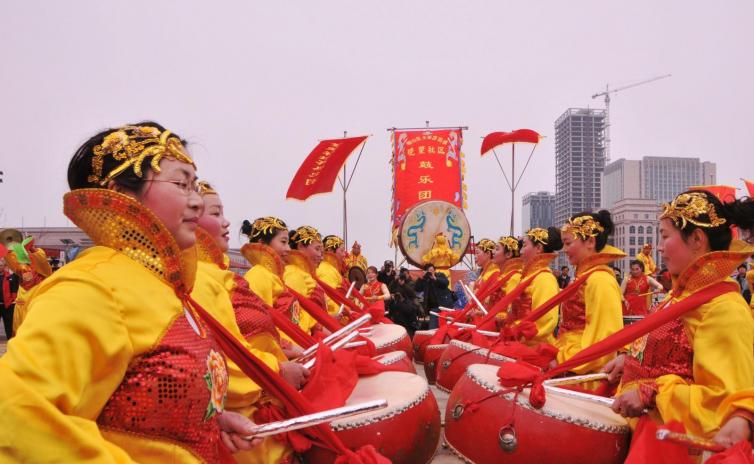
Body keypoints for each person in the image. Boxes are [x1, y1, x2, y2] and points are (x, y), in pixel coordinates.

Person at [0, 123, 258, 462]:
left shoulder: (166, 288)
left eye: (195, 186)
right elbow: (15, 415)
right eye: (181, 184)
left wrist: (207, 421)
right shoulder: (92, 287)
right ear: (121, 192)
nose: (196, 202)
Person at [604, 191, 754, 442]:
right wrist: (630, 360)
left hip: (672, 448)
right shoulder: (679, 297)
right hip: (640, 434)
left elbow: (722, 405)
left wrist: (652, 393)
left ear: (696, 239)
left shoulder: (723, 308)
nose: (659, 247)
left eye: (664, 236)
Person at [194, 181, 307, 463]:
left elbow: (258, 330)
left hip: (262, 390)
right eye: (216, 213)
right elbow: (218, 356)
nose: (226, 221)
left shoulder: (217, 275)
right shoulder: (204, 278)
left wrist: (286, 349)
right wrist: (277, 371)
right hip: (245, 413)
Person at [552, 210, 625, 376]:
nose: (564, 249)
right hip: (568, 362)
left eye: (568, 243)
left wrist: (560, 359)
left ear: (590, 242)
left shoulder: (600, 280)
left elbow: (603, 346)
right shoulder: (585, 278)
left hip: (583, 375)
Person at [508, 227, 564, 345]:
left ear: (538, 248)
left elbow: (545, 322)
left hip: (534, 346)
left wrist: (517, 333)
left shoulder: (544, 278)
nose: (521, 251)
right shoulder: (528, 277)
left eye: (524, 246)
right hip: (518, 341)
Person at [283, 226, 327, 336]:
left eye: (321, 252)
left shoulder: (304, 274)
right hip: (306, 340)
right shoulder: (293, 273)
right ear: (301, 246)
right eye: (317, 249)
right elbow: (294, 319)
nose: (320, 257)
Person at [317, 234, 348, 316]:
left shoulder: (330, 268)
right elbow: (328, 298)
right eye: (342, 251)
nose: (344, 254)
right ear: (330, 250)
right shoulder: (326, 269)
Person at [415, 263, 453, 329]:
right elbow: (417, 288)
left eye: (432, 270)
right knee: (433, 327)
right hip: (433, 307)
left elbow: (446, 283)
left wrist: (435, 278)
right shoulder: (425, 280)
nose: (431, 272)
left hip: (444, 305)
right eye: (429, 271)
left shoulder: (440, 275)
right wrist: (422, 278)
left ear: (435, 270)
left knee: (445, 326)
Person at [0, 258, 19, 339]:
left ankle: (11, 345)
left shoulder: (11, 276)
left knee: (9, 328)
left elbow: (15, 289)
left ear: (4, 266)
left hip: (8, 306)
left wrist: (13, 301)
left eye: (0, 265)